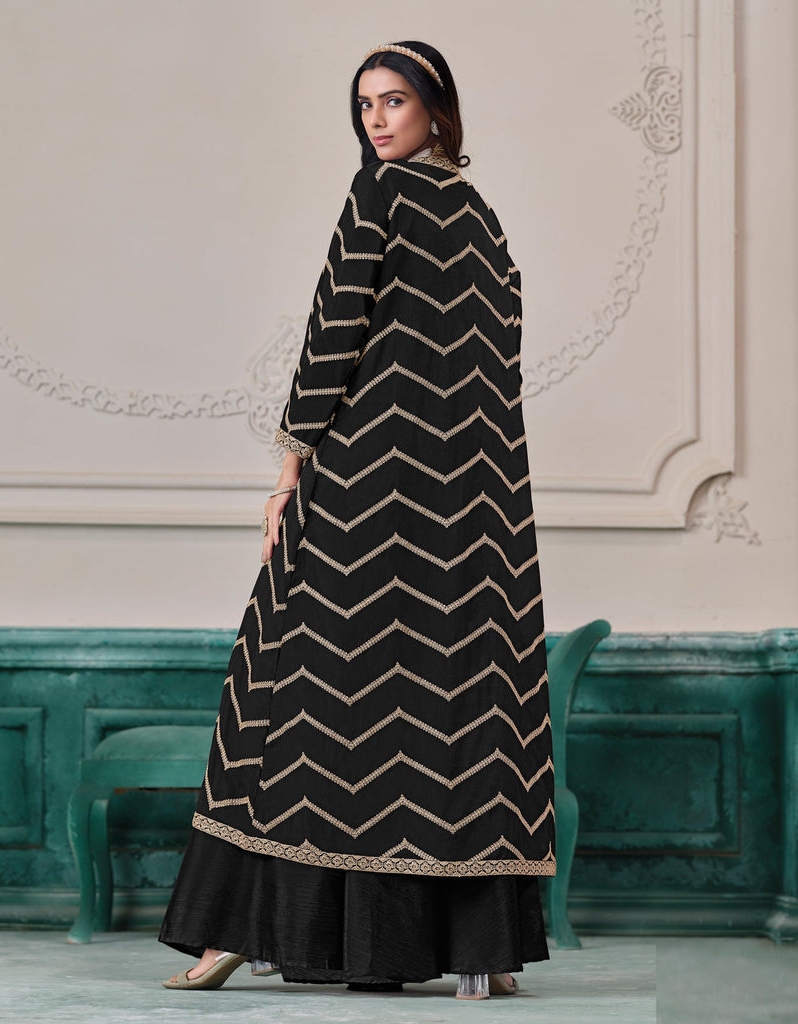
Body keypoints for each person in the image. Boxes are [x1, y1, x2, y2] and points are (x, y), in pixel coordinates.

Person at [159, 39, 555, 1001]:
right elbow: (493, 364)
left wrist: (290, 466)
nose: (377, 121)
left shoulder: (382, 194)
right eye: (366, 105)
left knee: (293, 689)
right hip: (468, 503)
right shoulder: (481, 217)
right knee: (450, 697)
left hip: (368, 487)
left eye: (395, 102)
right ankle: (479, 950)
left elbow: (336, 326)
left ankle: (241, 931)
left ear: (436, 109)